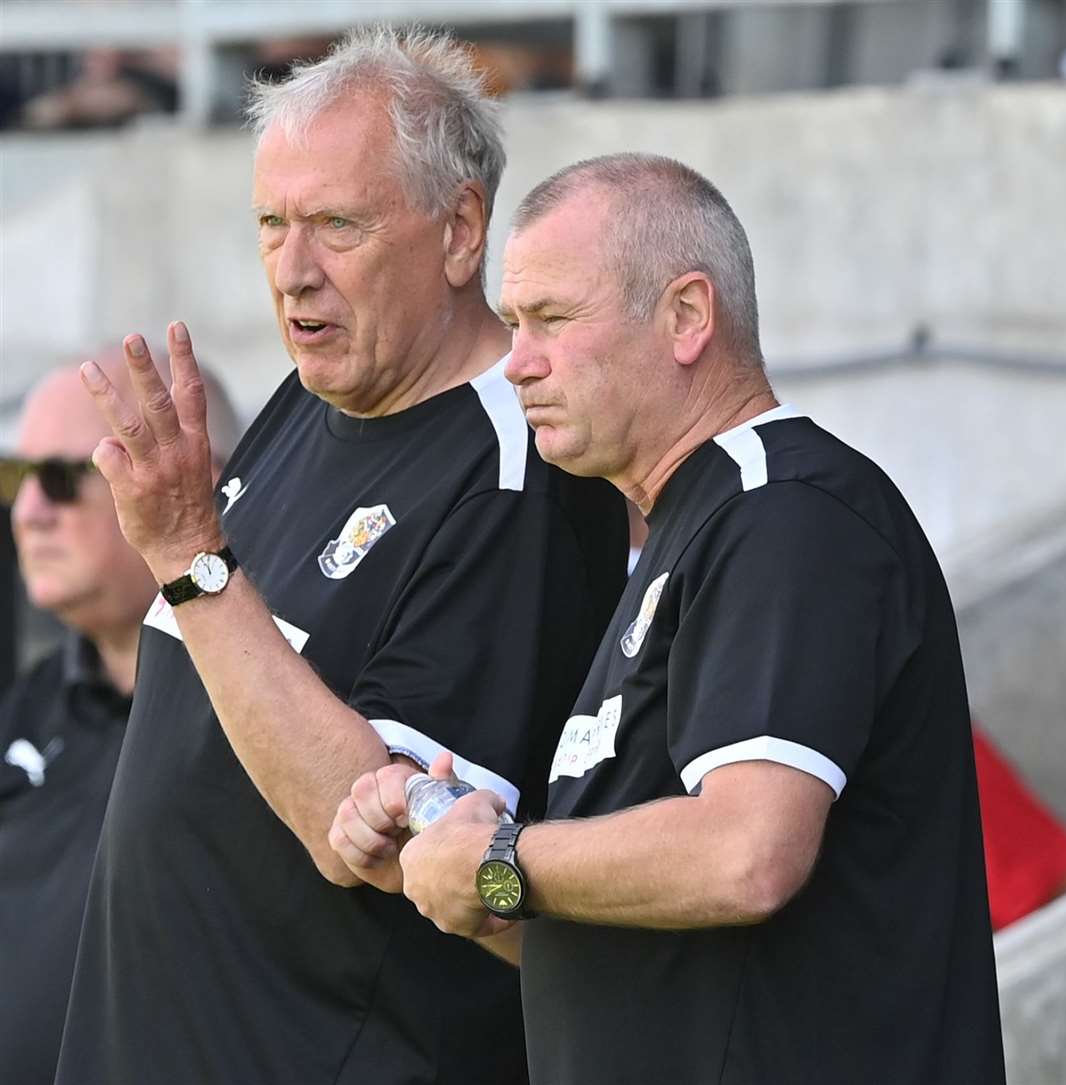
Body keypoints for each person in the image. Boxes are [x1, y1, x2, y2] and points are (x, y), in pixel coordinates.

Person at [357, 153, 1006, 1084]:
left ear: (688, 317)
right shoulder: (693, 527)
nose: (517, 361)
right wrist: (436, 855)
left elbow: (748, 853)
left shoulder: (785, 513)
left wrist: (500, 858)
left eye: (552, 319)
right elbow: (623, 938)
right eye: (510, 323)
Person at [55, 28, 626, 1085]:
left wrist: (193, 561)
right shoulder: (318, 392)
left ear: (461, 232)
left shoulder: (520, 479)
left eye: (337, 226)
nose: (292, 270)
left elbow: (386, 836)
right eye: (271, 224)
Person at [0, 351, 239, 1085]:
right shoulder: (32, 702)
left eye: (64, 479)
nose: (28, 510)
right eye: (15, 479)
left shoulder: (260, 706)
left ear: (196, 479)